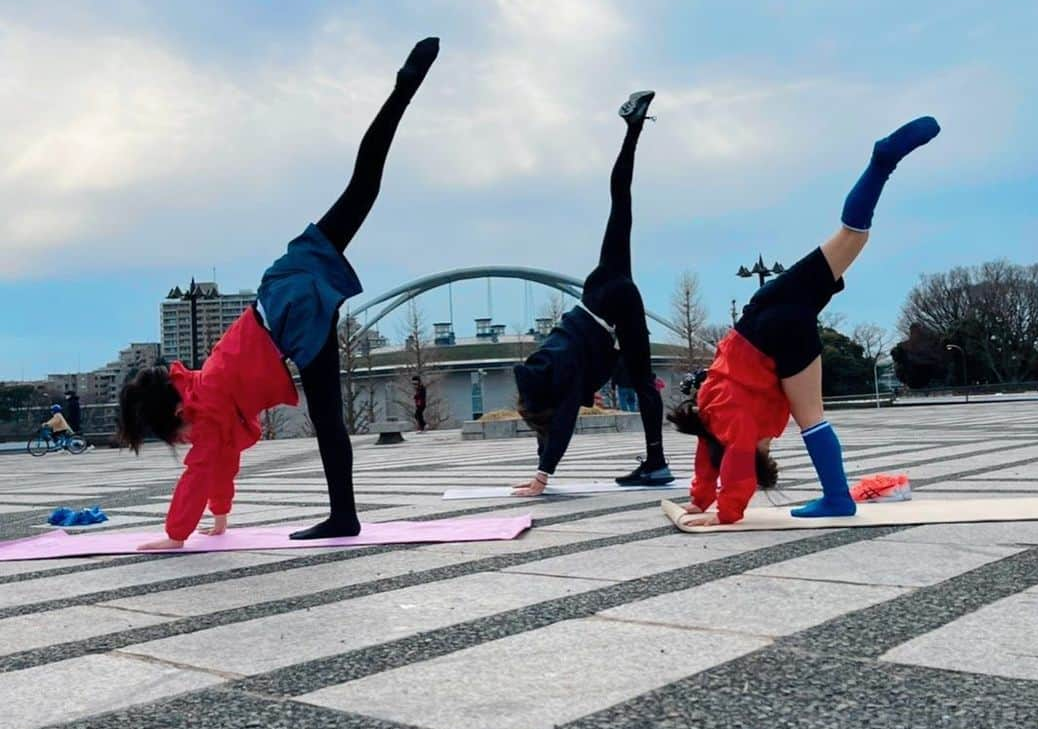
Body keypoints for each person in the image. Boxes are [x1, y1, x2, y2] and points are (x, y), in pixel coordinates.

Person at [117, 38, 440, 549]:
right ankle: (403, 91)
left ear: (175, 414)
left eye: (170, 435)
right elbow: (220, 457)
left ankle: (344, 516)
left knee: (331, 420)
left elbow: (201, 467)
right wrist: (220, 519)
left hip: (293, 319)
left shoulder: (210, 400)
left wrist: (175, 536)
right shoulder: (206, 394)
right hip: (287, 284)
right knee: (362, 189)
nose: (180, 444)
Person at [668, 116, 940, 525]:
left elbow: (732, 454)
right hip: (766, 306)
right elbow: (707, 456)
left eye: (768, 453)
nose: (770, 444)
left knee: (812, 417)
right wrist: (698, 499)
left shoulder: (733, 424)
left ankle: (836, 497)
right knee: (853, 236)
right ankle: (881, 163)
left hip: (772, 335)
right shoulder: (711, 417)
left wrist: (725, 512)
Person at [512, 91, 673, 496]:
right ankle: (633, 128)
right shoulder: (538, 368)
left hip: (612, 306)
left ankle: (657, 463)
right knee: (620, 202)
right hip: (598, 288)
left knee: (643, 381)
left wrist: (542, 476)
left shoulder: (558, 376)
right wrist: (539, 462)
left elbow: (562, 416)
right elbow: (547, 418)